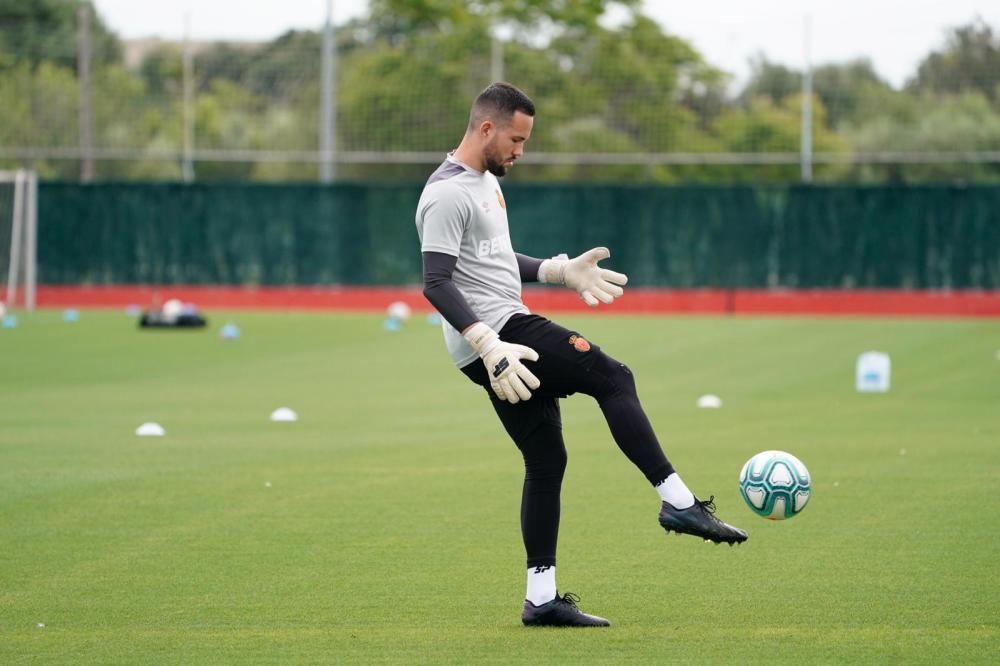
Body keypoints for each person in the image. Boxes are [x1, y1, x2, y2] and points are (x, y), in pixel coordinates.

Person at [415, 82, 747, 628]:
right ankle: (679, 502)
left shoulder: (484, 183)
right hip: (501, 334)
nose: (521, 151)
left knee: (546, 461)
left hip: (496, 342)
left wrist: (556, 270)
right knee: (613, 376)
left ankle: (541, 599)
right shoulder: (448, 192)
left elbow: (493, 259)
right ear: (486, 129)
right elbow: (435, 281)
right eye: (516, 141)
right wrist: (487, 343)